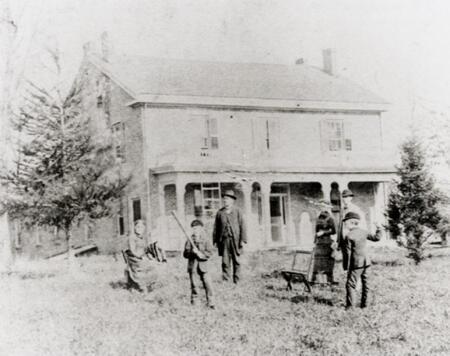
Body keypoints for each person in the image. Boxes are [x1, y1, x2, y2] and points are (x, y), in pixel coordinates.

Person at [343, 211, 381, 309]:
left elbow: (348, 253)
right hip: (367, 262)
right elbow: (377, 238)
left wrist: (346, 267)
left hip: (356, 264)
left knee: (350, 285)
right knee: (366, 284)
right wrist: (379, 228)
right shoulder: (364, 232)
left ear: (351, 222)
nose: (345, 224)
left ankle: (350, 307)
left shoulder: (349, 236)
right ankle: (365, 306)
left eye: (346, 222)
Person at [212, 189, 247, 284]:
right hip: (224, 240)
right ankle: (226, 280)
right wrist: (215, 240)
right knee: (225, 261)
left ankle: (237, 280)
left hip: (236, 240)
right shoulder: (220, 212)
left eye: (227, 199)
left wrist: (243, 239)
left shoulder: (237, 211)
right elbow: (216, 227)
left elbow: (242, 225)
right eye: (224, 199)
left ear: (232, 200)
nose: (225, 201)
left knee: (237, 260)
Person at [123, 219, 166, 292]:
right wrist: (141, 257)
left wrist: (149, 257)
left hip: (142, 257)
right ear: (134, 228)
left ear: (144, 229)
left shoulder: (143, 238)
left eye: (141, 227)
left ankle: (150, 284)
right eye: (138, 227)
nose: (139, 229)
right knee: (144, 265)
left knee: (154, 264)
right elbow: (133, 251)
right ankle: (141, 285)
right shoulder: (132, 238)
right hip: (134, 258)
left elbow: (146, 250)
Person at [183, 219, 215, 309]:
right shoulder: (189, 240)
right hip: (193, 266)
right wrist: (192, 252)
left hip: (204, 266)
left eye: (197, 228)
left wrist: (201, 253)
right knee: (194, 285)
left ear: (201, 229)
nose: (195, 230)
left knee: (208, 285)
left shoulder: (206, 239)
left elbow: (210, 252)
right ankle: (195, 303)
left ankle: (211, 303)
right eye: (193, 229)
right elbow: (185, 254)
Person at [338, 189, 367, 270]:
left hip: (352, 237)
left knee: (353, 257)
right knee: (345, 256)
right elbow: (340, 225)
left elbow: (360, 222)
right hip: (344, 237)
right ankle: (347, 273)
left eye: (347, 197)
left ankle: (354, 275)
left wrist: (357, 236)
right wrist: (339, 240)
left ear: (351, 198)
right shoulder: (342, 209)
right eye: (343, 197)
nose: (344, 199)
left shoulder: (355, 208)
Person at [312, 210, 337, 284]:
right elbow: (316, 232)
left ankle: (330, 280)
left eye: (324, 204)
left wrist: (323, 232)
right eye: (320, 205)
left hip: (327, 242)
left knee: (328, 262)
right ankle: (314, 280)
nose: (321, 207)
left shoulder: (330, 218)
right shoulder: (318, 218)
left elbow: (334, 231)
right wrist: (314, 242)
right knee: (317, 262)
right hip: (319, 243)